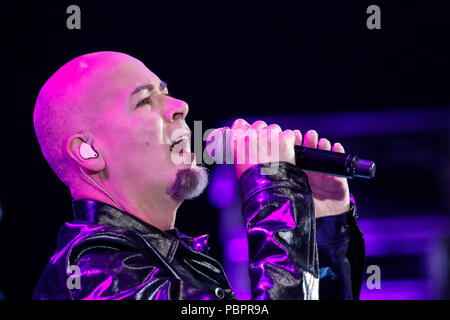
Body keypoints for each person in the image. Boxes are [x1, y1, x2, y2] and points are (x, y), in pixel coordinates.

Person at [32, 51, 365, 300]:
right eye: (145, 100)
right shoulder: (96, 274)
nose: (180, 105)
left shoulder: (162, 261)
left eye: (166, 91)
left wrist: (321, 232)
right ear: (88, 152)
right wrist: (274, 192)